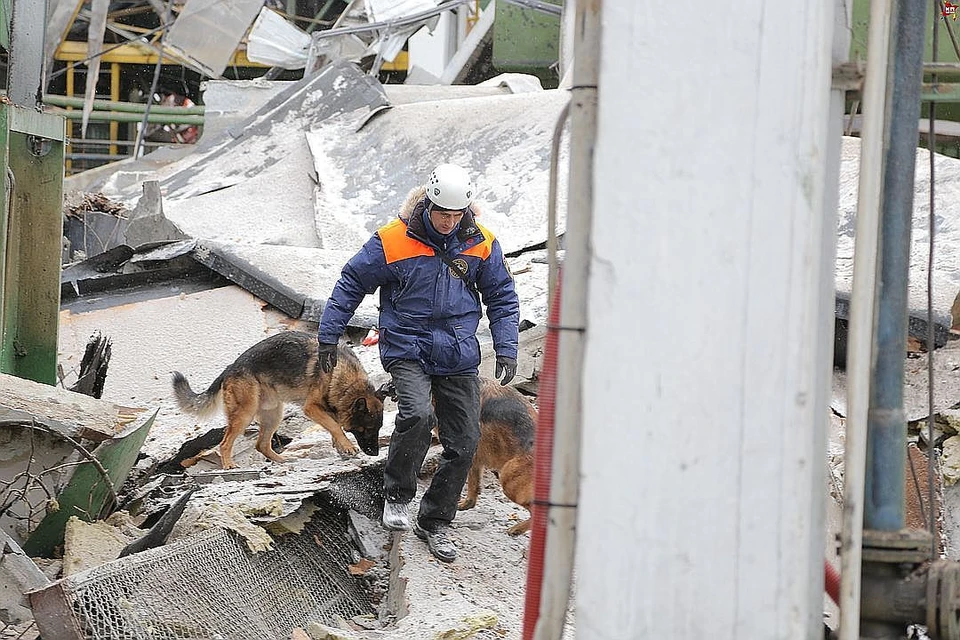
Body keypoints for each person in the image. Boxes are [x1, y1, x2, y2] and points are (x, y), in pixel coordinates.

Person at [316, 163, 520, 562]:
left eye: (456, 215)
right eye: (442, 213)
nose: (448, 222)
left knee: (465, 440)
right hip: (407, 345)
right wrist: (328, 334)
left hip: (458, 351)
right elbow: (351, 282)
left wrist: (507, 345)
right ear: (428, 204)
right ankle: (397, 495)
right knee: (416, 416)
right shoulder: (393, 240)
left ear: (466, 211)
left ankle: (436, 521)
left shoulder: (482, 243)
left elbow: (501, 295)